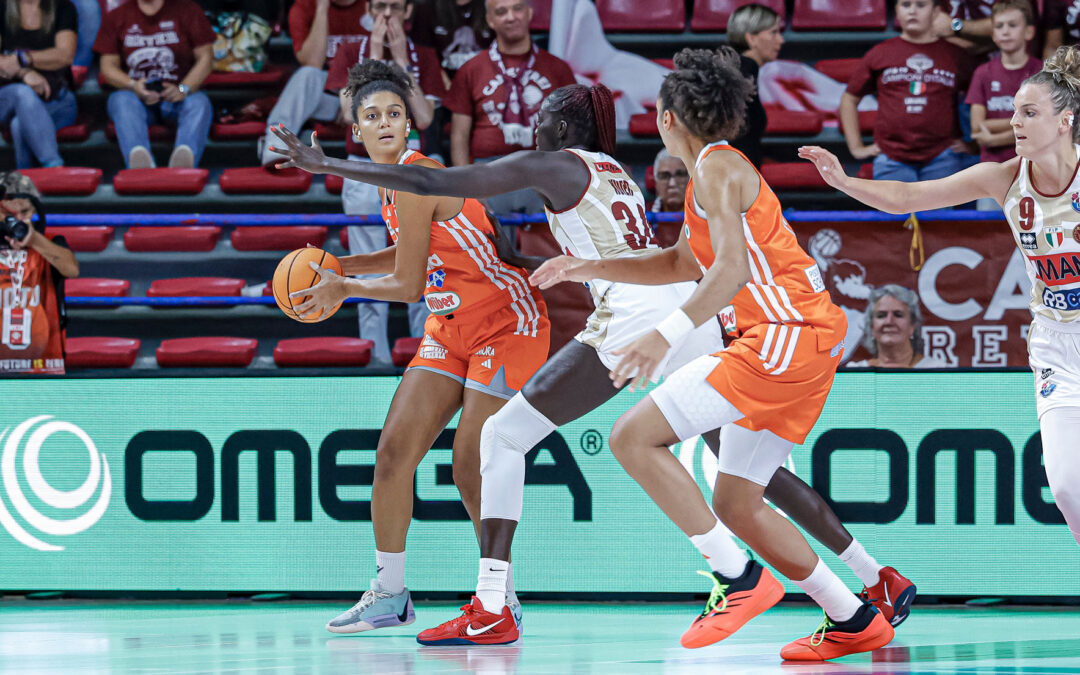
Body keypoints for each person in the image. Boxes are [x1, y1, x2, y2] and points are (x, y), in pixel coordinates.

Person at [271, 67, 913, 651]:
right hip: (682, 307)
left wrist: (326, 163)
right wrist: (568, 265)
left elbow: (435, 180)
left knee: (505, 436)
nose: (533, 123)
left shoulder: (561, 165)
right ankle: (868, 583)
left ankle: (504, 604)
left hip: (642, 318)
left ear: (564, 126)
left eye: (544, 115)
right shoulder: (613, 170)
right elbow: (664, 258)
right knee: (749, 473)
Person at [532, 47, 897, 661]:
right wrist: (587, 264)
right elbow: (682, 262)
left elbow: (726, 273)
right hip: (803, 338)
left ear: (669, 116)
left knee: (631, 438)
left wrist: (665, 333)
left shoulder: (715, 169)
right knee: (736, 500)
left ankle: (739, 580)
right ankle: (854, 617)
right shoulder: (715, 171)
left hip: (781, 335)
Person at [268, 60, 550, 635]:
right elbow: (406, 259)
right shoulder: (393, 187)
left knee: (471, 463)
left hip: (505, 320)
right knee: (394, 454)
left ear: (407, 124)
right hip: (452, 328)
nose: (386, 122)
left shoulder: (420, 175)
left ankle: (503, 600)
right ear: (358, 132)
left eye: (394, 113)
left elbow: (406, 284)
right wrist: (331, 266)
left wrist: (343, 287)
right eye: (372, 115)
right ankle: (390, 593)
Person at [803, 44, 1080, 555]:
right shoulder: (1003, 177)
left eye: (1029, 112)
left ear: (1065, 122)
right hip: (1056, 347)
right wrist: (843, 181)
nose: (1013, 121)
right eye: (1014, 109)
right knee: (1065, 485)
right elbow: (908, 198)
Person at [322, 0, 444, 364]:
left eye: (394, 6)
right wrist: (374, 55)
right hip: (362, 166)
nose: (386, 15)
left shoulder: (423, 54)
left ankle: (427, 352)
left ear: (408, 12)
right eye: (379, 6)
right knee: (370, 258)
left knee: (420, 260)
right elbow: (348, 114)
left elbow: (423, 117)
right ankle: (373, 355)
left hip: (412, 166)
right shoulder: (348, 52)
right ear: (368, 11)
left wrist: (402, 63)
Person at [443, 0, 575, 216]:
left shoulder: (558, 69)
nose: (511, 17)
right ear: (490, 20)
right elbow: (459, 137)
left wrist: (565, 183)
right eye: (501, 11)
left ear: (529, 13)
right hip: (488, 172)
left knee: (546, 249)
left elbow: (573, 132)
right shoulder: (471, 69)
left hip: (543, 169)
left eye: (517, 8)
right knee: (491, 249)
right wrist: (467, 189)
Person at [840, 0, 973, 181]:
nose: (912, 11)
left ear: (935, 12)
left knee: (939, 211)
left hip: (942, 156)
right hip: (890, 158)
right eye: (905, 4)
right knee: (895, 211)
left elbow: (980, 97)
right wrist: (856, 147)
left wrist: (973, 145)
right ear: (896, 11)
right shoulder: (880, 52)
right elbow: (850, 98)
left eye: (920, 5)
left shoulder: (956, 55)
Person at [95, 0, 215, 169]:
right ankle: (139, 160)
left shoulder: (188, 10)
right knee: (120, 99)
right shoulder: (117, 16)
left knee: (200, 102)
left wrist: (183, 88)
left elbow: (206, 58)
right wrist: (133, 86)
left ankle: (184, 162)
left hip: (178, 94)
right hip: (137, 96)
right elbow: (107, 67)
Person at [257, 0, 370, 167]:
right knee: (308, 74)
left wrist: (352, 96)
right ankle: (278, 144)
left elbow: (387, 64)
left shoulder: (375, 6)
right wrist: (322, 9)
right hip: (328, 97)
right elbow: (313, 62)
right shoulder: (304, 7)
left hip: (367, 96)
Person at [0, 171, 78, 375]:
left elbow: (71, 269)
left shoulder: (51, 242)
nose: (18, 220)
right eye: (9, 215)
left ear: (35, 209)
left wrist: (34, 239)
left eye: (25, 212)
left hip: (43, 365)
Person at [967, 0, 1041, 208]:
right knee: (988, 235)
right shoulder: (983, 73)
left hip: (1033, 171)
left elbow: (1044, 127)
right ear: (993, 35)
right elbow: (976, 127)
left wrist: (993, 136)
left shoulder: (1042, 74)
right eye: (999, 26)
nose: (1005, 31)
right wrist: (1024, 123)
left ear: (1029, 32)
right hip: (991, 174)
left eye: (1012, 25)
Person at [0, 0, 78, 169]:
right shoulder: (2, 8)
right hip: (6, 98)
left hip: (55, 100)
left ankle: (27, 186)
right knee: (22, 92)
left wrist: (24, 59)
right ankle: (54, 167)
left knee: (19, 125)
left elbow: (64, 56)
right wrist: (25, 73)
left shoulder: (63, 8)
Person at [726, 3, 780, 168]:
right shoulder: (744, 69)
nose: (781, 40)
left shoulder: (738, 67)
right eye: (774, 32)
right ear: (752, 38)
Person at [845, 285, 949, 368]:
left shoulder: (937, 371)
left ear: (913, 325)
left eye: (898, 315)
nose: (889, 321)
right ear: (871, 326)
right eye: (881, 315)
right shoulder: (856, 373)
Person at [409, 0, 492, 85]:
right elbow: (422, 57)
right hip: (440, 86)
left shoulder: (493, 6)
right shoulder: (426, 10)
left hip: (488, 84)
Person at [651, 148, 689, 247]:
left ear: (690, 179)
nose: (672, 183)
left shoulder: (704, 215)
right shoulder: (641, 217)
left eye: (680, 174)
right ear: (656, 182)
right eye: (664, 176)